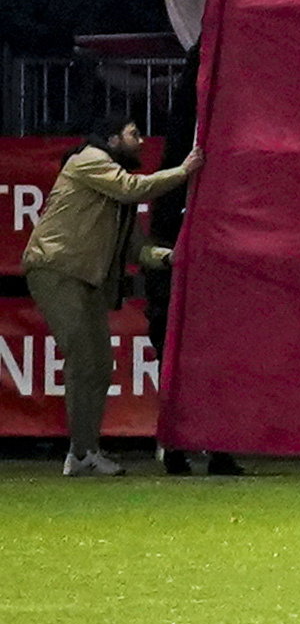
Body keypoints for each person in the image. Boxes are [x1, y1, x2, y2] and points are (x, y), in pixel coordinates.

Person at [19, 107, 198, 477]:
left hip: (81, 278)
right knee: (85, 359)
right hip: (56, 269)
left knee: (98, 365)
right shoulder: (89, 160)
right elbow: (132, 188)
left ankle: (83, 451)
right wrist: (184, 172)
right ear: (113, 138)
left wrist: (174, 257)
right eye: (134, 133)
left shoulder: (114, 191)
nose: (142, 141)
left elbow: (137, 250)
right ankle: (82, 452)